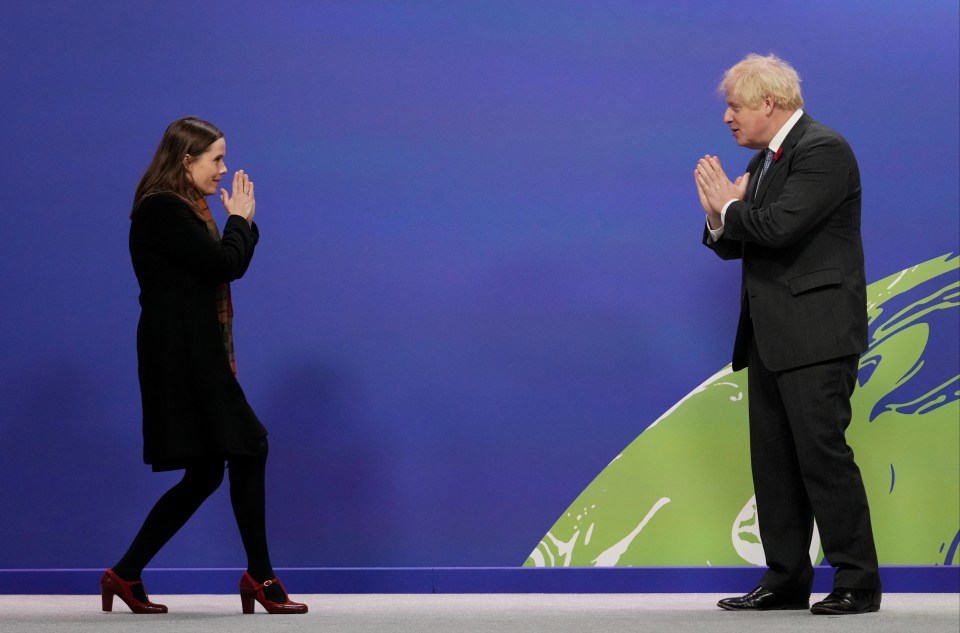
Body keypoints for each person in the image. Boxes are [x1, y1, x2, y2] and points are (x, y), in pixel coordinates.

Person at [694, 54, 882, 615]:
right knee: (773, 463)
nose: (728, 118)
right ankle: (786, 578)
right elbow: (736, 241)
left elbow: (776, 228)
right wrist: (717, 213)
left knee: (822, 457)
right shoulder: (771, 159)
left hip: (818, 335)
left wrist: (730, 203)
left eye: (735, 105)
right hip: (771, 336)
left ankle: (857, 580)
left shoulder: (823, 150)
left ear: (768, 103)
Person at [101, 117, 307, 615]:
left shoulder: (184, 209)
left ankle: (124, 573)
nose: (223, 168)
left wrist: (241, 225)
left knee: (206, 472)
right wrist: (242, 220)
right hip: (183, 358)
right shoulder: (162, 211)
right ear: (185, 160)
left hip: (192, 352)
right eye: (215, 158)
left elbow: (223, 262)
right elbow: (224, 264)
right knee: (250, 447)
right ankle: (260, 577)